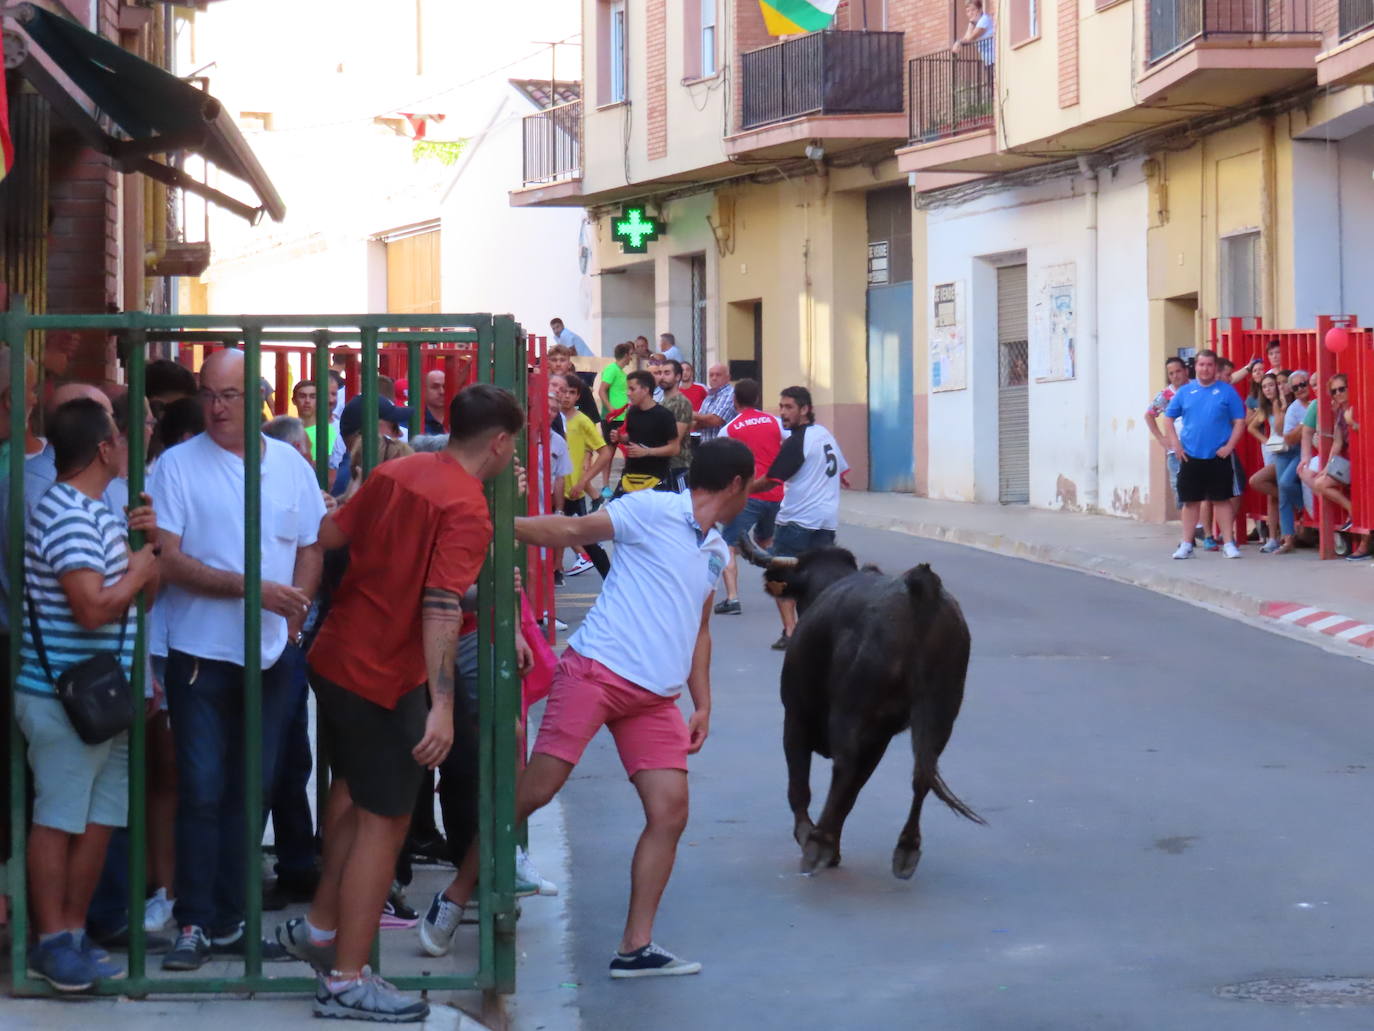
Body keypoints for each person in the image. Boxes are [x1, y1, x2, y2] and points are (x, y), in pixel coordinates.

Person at [420, 437, 754, 978]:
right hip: (596, 671)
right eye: (751, 486)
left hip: (656, 698)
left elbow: (700, 628)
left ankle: (636, 946)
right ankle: (456, 896)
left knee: (669, 812)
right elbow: (573, 530)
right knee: (535, 791)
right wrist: (501, 524)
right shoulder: (652, 509)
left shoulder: (717, 550)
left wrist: (704, 703)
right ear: (736, 485)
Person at [274, 384, 525, 1022]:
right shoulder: (468, 507)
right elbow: (442, 605)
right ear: (498, 444)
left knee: (357, 793)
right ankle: (347, 980)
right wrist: (441, 705)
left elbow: (330, 532)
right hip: (384, 673)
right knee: (385, 825)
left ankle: (323, 931)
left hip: (336, 656)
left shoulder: (397, 470)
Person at [149, 348, 326, 970]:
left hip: (274, 656)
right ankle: (195, 920)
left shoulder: (289, 466)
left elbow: (311, 543)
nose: (217, 408)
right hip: (199, 653)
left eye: (229, 395)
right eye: (208, 394)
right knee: (200, 789)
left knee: (252, 790)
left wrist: (295, 612)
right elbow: (166, 559)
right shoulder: (175, 466)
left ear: (257, 401)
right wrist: (257, 590)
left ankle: (233, 917)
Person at [15, 398, 160, 990]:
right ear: (104, 448)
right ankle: (51, 941)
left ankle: (73, 934)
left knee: (98, 819)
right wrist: (139, 572)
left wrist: (143, 555)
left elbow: (133, 600)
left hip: (104, 699)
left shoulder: (101, 509)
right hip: (65, 700)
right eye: (124, 437)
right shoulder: (69, 514)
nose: (133, 445)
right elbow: (93, 608)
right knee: (59, 819)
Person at [750, 386, 850, 649]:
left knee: (778, 577)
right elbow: (842, 472)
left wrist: (742, 491)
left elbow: (772, 479)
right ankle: (820, 633)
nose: (783, 413)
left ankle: (792, 632)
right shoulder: (824, 435)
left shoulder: (798, 441)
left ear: (805, 409)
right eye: (781, 407)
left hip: (796, 521)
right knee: (820, 579)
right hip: (826, 521)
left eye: (789, 407)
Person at [1164, 349, 1246, 560]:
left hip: (1218, 456)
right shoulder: (1185, 392)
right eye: (1202, 365)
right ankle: (1186, 544)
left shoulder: (1226, 391)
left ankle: (1228, 543)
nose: (1205, 369)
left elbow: (1239, 421)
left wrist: (1229, 446)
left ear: (1215, 368)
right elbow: (1168, 418)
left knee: (1222, 500)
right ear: (1196, 367)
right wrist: (1175, 444)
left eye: (1209, 365)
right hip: (1190, 455)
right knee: (1190, 501)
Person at [714, 378, 784, 615]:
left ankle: (732, 598)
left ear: (734, 401)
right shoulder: (775, 422)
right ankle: (781, 591)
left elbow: (723, 463)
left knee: (728, 545)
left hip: (748, 494)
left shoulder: (730, 429)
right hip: (775, 493)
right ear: (757, 398)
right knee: (768, 543)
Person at [558, 372, 612, 579]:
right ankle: (556, 573)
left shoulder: (582, 421)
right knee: (554, 535)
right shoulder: (550, 417)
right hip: (552, 488)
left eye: (571, 393)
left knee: (586, 538)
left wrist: (583, 481)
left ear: (578, 396)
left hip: (573, 490)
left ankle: (610, 578)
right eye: (563, 392)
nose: (566, 397)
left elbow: (605, 452)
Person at [607, 371, 680, 495]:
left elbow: (674, 448)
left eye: (632, 389)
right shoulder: (632, 412)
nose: (628, 393)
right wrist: (621, 438)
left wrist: (647, 452)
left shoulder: (664, 415)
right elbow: (635, 438)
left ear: (645, 390)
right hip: (629, 476)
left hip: (655, 478)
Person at [1310, 373, 1361, 545]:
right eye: (1334, 391)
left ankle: (1354, 513)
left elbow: (1365, 432)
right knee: (1319, 482)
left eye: (1341, 389)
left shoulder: (1359, 405)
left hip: (1363, 461)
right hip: (1348, 462)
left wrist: (1353, 423)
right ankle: (1352, 510)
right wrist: (1327, 468)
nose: (1338, 393)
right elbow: (1337, 443)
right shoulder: (1339, 412)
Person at [1270, 369, 1311, 554]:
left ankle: (1307, 511)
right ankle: (1288, 538)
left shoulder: (1316, 402)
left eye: (1303, 384)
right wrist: (1304, 426)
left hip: (1303, 452)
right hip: (1288, 451)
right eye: (1296, 387)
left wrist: (1301, 428)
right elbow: (1286, 436)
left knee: (1286, 484)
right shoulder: (1292, 407)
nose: (1300, 389)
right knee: (1283, 491)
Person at [1245, 373, 1284, 552]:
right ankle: (1273, 537)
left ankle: (1280, 532)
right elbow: (1251, 427)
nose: (1268, 389)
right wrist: (1266, 440)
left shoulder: (1283, 403)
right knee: (1272, 496)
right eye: (1265, 386)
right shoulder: (1265, 407)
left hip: (1284, 451)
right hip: (1272, 450)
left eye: (1271, 385)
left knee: (1258, 481)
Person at [1145, 356, 1190, 511]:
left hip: (1196, 448)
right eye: (1171, 373)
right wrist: (1161, 438)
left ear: (1186, 371)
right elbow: (1149, 415)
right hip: (1175, 452)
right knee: (1180, 490)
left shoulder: (1196, 389)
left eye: (1178, 371)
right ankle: (1190, 529)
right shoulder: (1165, 395)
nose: (1175, 376)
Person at [655, 360, 694, 492]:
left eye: (667, 373)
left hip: (678, 467)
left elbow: (676, 437)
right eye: (660, 373)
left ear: (677, 377)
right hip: (662, 466)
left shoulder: (682, 403)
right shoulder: (661, 403)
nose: (662, 377)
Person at [694, 364, 736, 443]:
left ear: (728, 378)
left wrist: (692, 414)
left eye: (718, 375)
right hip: (706, 447)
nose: (714, 378)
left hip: (724, 448)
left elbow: (716, 420)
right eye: (711, 375)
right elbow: (697, 423)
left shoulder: (731, 394)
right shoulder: (709, 397)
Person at [596, 341, 634, 421]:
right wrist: (611, 409)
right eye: (630, 354)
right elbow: (602, 390)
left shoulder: (622, 372)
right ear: (626, 355)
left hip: (621, 417)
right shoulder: (612, 369)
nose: (631, 358)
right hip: (613, 418)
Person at [952, 0, 994, 70]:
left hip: (994, 60)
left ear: (980, 10)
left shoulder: (984, 19)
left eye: (973, 10)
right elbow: (966, 38)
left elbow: (971, 38)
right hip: (988, 61)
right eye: (968, 11)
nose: (970, 13)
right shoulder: (975, 23)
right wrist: (971, 24)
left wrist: (959, 42)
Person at [422, 369, 447, 436]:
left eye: (445, 387)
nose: (442, 392)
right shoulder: (413, 421)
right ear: (424, 389)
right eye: (435, 387)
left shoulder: (459, 419)